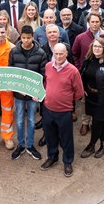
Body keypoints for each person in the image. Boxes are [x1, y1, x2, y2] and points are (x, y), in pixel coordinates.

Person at [40, 43, 84, 177]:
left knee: (66, 138)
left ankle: (67, 161)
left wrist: (66, 100)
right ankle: (52, 157)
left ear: (66, 54)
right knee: (50, 136)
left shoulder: (73, 71)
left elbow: (79, 92)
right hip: (48, 109)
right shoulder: (48, 66)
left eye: (61, 54)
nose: (58, 56)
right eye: (56, 53)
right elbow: (45, 84)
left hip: (64, 111)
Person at [9, 25, 48, 161]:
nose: (26, 41)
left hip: (33, 95)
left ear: (33, 37)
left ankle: (30, 145)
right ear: (21, 37)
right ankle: (21, 145)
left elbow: (44, 75)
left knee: (31, 120)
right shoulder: (14, 52)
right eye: (24, 38)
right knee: (19, 120)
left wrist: (37, 92)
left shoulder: (41, 53)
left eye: (28, 38)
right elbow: (11, 72)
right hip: (19, 94)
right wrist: (15, 88)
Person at [72, 12, 104, 136]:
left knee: (100, 99)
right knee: (86, 100)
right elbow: (74, 53)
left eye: (97, 21)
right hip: (87, 74)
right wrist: (80, 68)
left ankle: (97, 122)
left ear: (100, 22)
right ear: (88, 23)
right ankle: (85, 122)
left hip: (102, 75)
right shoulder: (81, 37)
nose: (95, 24)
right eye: (92, 22)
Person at [80, 37, 104, 159]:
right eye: (95, 46)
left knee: (97, 122)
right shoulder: (88, 60)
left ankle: (91, 145)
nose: (97, 48)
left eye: (99, 46)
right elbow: (83, 77)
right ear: (91, 47)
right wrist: (84, 90)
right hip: (90, 97)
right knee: (99, 122)